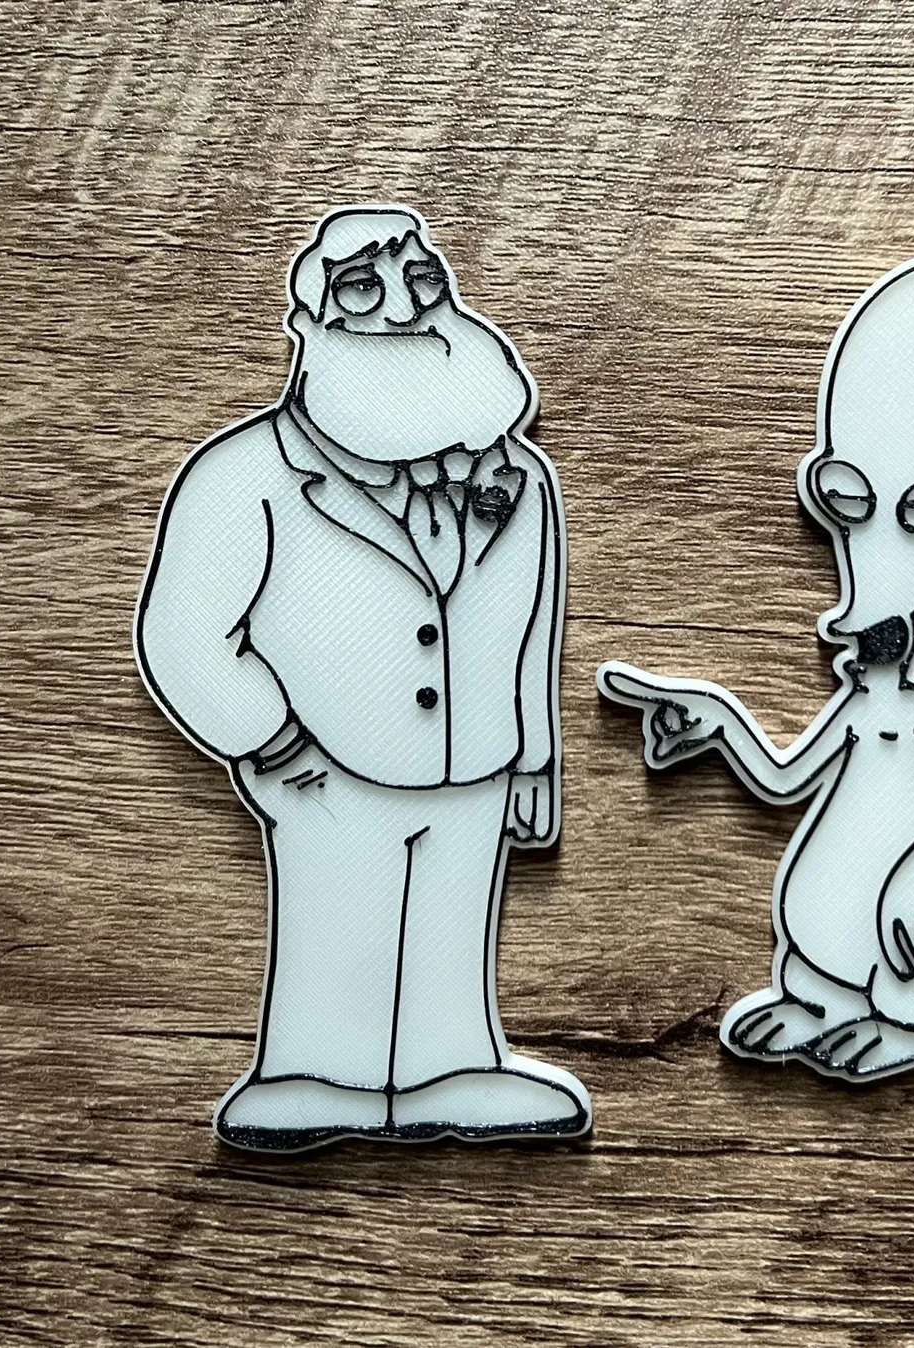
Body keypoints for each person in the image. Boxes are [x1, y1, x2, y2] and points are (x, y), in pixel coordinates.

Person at [600, 248, 914, 1081]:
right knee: (819, 933)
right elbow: (781, 781)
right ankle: (819, 998)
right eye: (848, 497)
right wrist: (718, 722)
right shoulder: (856, 708)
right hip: (830, 953)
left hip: (912, 927)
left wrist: (912, 872)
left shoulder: (911, 716)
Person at [136, 206, 589, 1149]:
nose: (401, 309)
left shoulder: (521, 478)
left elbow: (533, 624)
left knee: (454, 919)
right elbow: (185, 633)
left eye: (422, 282)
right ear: (311, 324)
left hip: (477, 759)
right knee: (338, 915)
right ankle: (312, 1074)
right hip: (325, 760)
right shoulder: (245, 474)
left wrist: (534, 757)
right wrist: (266, 737)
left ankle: (453, 1068)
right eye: (361, 290)